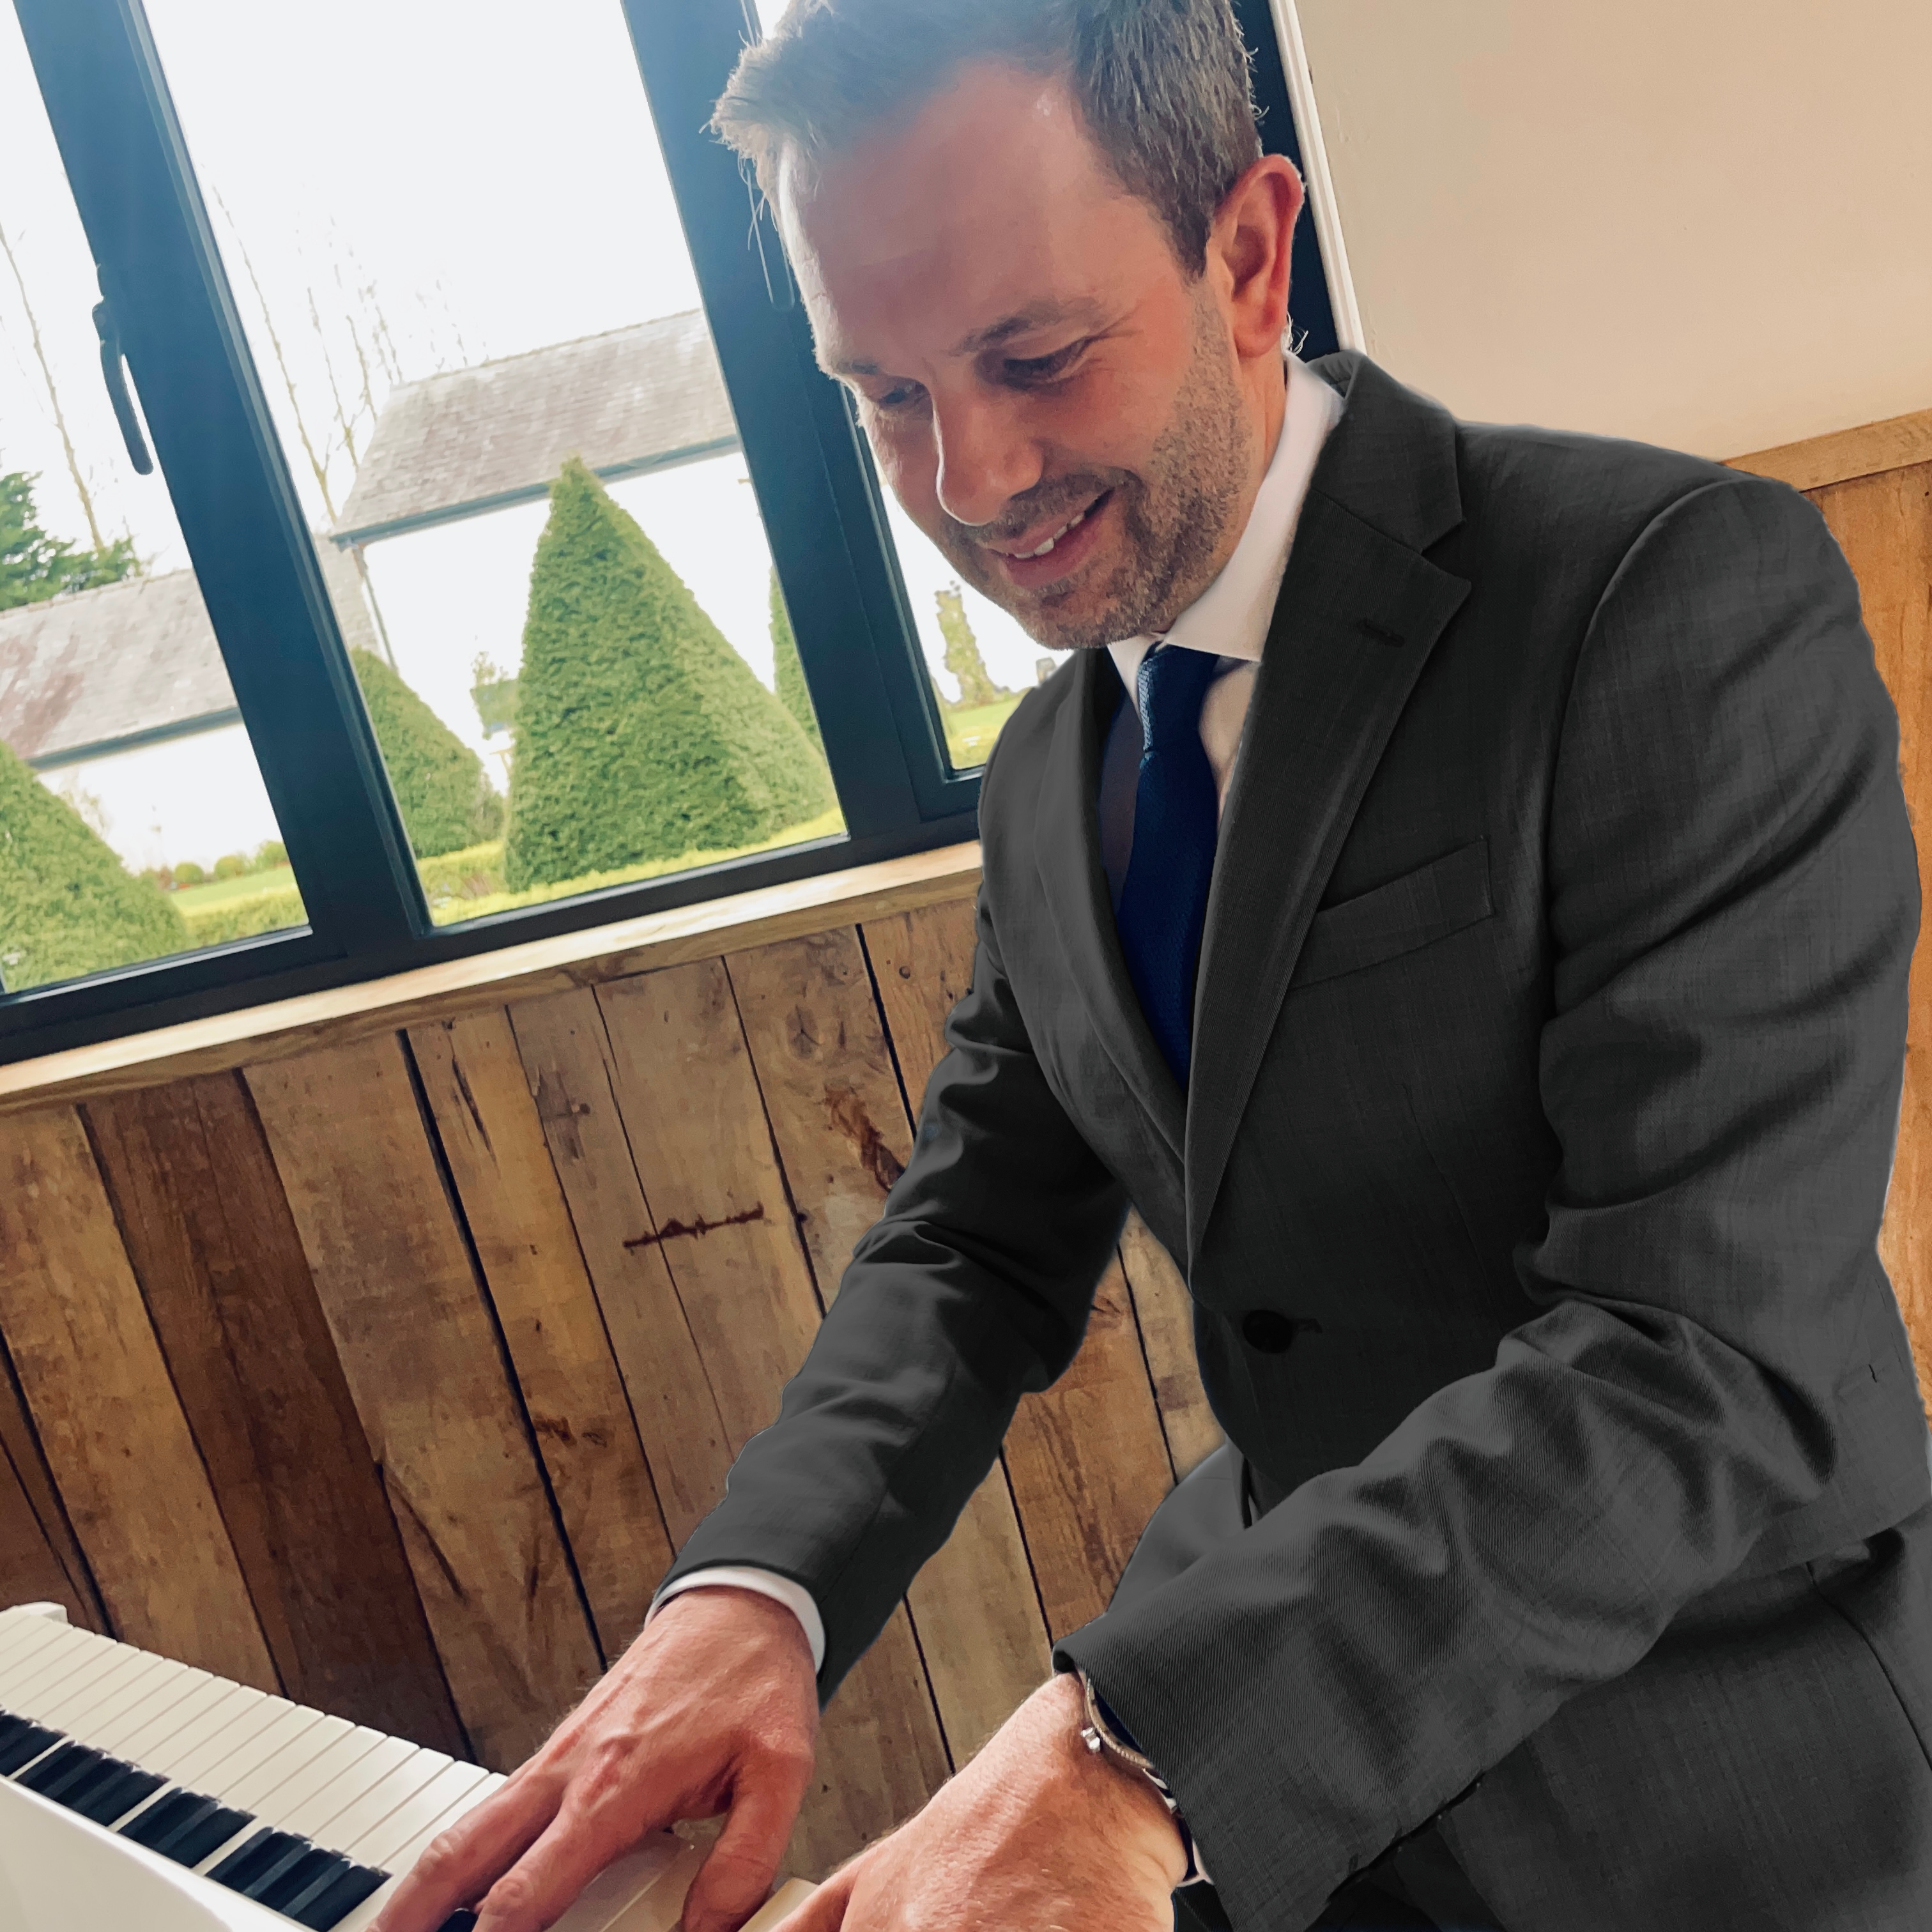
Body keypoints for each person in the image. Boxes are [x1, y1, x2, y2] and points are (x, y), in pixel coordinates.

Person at [376, 3, 1932, 1929]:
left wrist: (1140, 1750)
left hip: (1717, 1762)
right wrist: (750, 1597)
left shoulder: (1669, 595)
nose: (968, 474)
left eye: (1032, 355)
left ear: (1250, 256)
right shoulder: (1051, 771)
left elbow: (1701, 1355)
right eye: (883, 393)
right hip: (1294, 1788)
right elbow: (972, 1237)